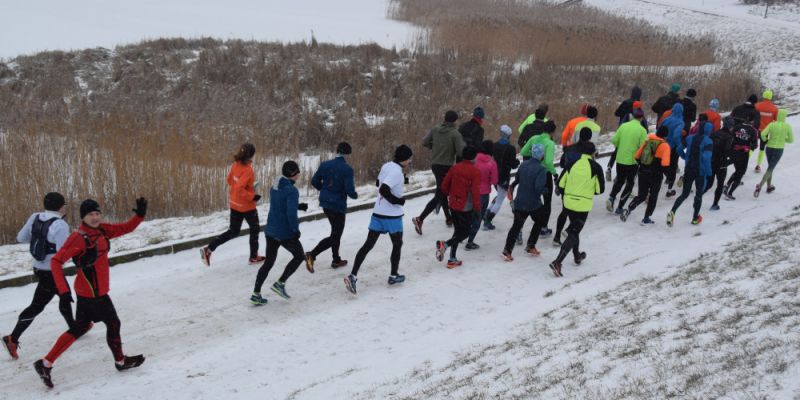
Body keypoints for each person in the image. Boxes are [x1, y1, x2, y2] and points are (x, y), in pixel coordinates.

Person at [34, 197, 148, 388]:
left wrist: (140, 216)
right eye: (90, 215)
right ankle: (120, 361)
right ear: (83, 217)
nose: (95, 217)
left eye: (97, 213)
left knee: (80, 327)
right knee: (113, 323)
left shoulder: (101, 230)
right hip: (93, 293)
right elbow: (56, 262)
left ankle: (45, 363)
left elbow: (124, 228)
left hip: (91, 291)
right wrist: (63, 291)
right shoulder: (78, 238)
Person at [3, 193, 74, 360]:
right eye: (64, 205)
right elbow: (63, 253)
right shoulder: (60, 225)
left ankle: (75, 327)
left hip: (38, 267)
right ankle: (12, 338)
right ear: (61, 207)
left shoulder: (35, 217)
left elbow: (21, 238)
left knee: (64, 295)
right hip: (51, 271)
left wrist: (41, 241)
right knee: (39, 305)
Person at [345, 145, 413, 295]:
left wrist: (400, 184)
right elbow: (383, 189)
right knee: (397, 244)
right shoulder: (397, 172)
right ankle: (393, 276)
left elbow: (378, 184)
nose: (410, 161)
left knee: (368, 245)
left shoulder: (387, 166)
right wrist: (398, 201)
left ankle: (353, 275)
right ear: (405, 159)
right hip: (392, 216)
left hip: (378, 212)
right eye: (409, 159)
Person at [250, 161, 308, 305]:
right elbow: (289, 213)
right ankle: (280, 283)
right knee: (299, 256)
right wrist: (295, 230)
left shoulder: (274, 187)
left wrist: (297, 205)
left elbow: (279, 204)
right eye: (297, 172)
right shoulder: (292, 191)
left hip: (271, 230)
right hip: (284, 232)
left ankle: (256, 294)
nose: (299, 175)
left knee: (268, 263)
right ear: (292, 174)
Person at [200, 143, 263, 267]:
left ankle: (209, 249)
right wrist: (252, 196)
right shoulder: (248, 170)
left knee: (233, 231)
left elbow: (229, 180)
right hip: (246, 206)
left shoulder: (235, 165)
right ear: (251, 155)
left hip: (234, 203)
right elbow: (240, 187)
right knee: (255, 229)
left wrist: (246, 186)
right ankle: (254, 257)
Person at [549, 143, 604, 277]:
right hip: (583, 204)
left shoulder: (572, 163)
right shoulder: (596, 167)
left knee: (575, 231)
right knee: (573, 232)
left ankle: (577, 255)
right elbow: (600, 190)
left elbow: (561, 183)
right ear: (593, 153)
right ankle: (557, 261)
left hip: (568, 202)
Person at [305, 142, 358, 272]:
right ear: (347, 154)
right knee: (335, 235)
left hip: (325, 203)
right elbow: (350, 190)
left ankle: (336, 259)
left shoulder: (325, 165)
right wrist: (354, 195)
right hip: (337, 205)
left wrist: (324, 190)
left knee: (335, 232)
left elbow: (314, 181)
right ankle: (312, 254)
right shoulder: (347, 169)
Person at [413, 111, 464, 234]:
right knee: (441, 194)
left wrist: (435, 147)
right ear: (455, 121)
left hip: (435, 165)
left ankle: (448, 218)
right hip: (447, 167)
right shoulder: (455, 134)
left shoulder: (435, 129)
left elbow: (424, 142)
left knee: (442, 191)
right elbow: (460, 152)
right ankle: (420, 218)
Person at [436, 146, 481, 268]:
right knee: (465, 232)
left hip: (453, 203)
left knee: (457, 231)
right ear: (474, 157)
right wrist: (477, 208)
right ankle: (445, 245)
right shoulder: (475, 171)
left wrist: (448, 195)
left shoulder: (455, 167)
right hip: (466, 206)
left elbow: (444, 185)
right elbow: (476, 192)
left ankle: (452, 259)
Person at [502, 144, 548, 261]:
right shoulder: (541, 169)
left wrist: (512, 187)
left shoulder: (523, 165)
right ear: (541, 155)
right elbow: (538, 188)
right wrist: (545, 190)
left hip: (520, 201)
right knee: (540, 220)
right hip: (533, 203)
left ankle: (507, 250)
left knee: (516, 226)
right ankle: (531, 245)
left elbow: (517, 180)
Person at [621, 125, 672, 225]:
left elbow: (636, 156)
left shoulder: (648, 141)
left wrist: (644, 165)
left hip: (643, 172)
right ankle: (646, 218)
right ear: (665, 135)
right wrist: (669, 177)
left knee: (641, 195)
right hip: (656, 176)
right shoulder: (665, 146)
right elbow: (665, 165)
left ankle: (629, 209)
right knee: (653, 197)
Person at [667, 121, 713, 226]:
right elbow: (706, 157)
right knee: (698, 194)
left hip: (689, 169)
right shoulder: (708, 141)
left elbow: (678, 149)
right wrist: (709, 171)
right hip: (700, 172)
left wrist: (684, 157)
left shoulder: (689, 137)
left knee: (684, 194)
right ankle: (695, 218)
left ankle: (672, 212)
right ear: (709, 131)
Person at [554, 128, 595, 244]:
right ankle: (571, 235)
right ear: (590, 137)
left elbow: (562, 164)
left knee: (565, 210)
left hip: (566, 182)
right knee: (579, 216)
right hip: (582, 185)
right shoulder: (590, 149)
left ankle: (557, 237)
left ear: (579, 135)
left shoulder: (570, 148)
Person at [606, 108, 648, 215]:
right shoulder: (642, 130)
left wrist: (621, 147)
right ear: (642, 118)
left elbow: (614, 140)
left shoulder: (623, 126)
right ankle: (620, 207)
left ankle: (611, 197)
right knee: (629, 184)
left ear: (632, 116)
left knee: (619, 180)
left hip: (620, 159)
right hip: (632, 162)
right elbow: (643, 148)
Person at [521, 120, 558, 237]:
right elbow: (548, 161)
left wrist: (533, 156)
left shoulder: (534, 138)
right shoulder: (550, 143)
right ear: (552, 132)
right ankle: (543, 228)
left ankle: (519, 228)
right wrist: (554, 173)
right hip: (544, 174)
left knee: (530, 198)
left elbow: (523, 151)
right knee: (547, 202)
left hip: (532, 171)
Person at [484, 125, 519, 230]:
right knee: (500, 199)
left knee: (498, 195)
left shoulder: (494, 145)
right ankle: (487, 221)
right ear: (508, 136)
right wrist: (517, 162)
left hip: (493, 175)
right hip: (504, 176)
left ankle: (487, 212)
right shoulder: (511, 148)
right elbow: (513, 165)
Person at [465, 140, 497, 249]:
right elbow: (494, 180)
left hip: (470, 192)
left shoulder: (474, 159)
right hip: (483, 194)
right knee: (477, 219)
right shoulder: (492, 163)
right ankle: (470, 241)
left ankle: (460, 236)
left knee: (468, 215)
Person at [755, 109, 793, 196]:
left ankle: (768, 187)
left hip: (769, 148)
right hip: (779, 149)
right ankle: (760, 186)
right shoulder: (787, 126)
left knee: (770, 167)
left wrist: (766, 140)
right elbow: (791, 140)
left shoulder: (772, 124)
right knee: (771, 168)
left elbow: (762, 134)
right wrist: (783, 140)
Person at [723, 113, 759, 200]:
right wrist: (748, 146)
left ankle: (727, 186)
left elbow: (730, 137)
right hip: (743, 154)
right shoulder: (753, 130)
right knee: (741, 172)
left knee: (737, 170)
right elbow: (755, 145)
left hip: (733, 151)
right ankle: (730, 193)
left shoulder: (736, 127)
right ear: (752, 121)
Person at [705, 116, 734, 211]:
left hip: (712, 161)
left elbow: (708, 145)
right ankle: (714, 205)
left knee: (709, 183)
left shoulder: (715, 133)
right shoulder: (729, 137)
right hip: (721, 164)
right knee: (720, 185)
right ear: (731, 126)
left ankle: (699, 196)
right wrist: (731, 160)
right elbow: (727, 150)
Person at [661, 102, 685, 197]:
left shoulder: (666, 119)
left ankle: (666, 175)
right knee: (673, 167)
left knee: (663, 164)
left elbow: (660, 130)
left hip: (664, 144)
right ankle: (669, 190)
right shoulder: (680, 122)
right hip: (673, 147)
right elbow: (676, 135)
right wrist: (679, 146)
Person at [754, 90, 779, 173]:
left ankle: (744, 163)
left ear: (764, 96)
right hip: (766, 132)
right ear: (771, 97)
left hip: (755, 130)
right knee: (762, 148)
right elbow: (776, 121)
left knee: (750, 148)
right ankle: (758, 166)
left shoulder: (757, 105)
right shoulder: (774, 109)